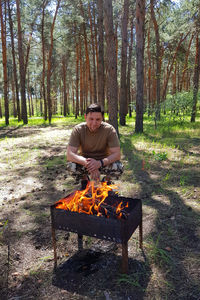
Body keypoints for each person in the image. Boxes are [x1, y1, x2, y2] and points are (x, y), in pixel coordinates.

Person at [67, 103, 123, 188]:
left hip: (103, 162)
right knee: (71, 166)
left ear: (102, 119)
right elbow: (70, 154)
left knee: (118, 167)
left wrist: (99, 163)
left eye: (98, 119)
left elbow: (117, 154)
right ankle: (85, 181)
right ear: (85, 117)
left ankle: (106, 182)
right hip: (85, 162)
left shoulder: (109, 130)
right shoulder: (78, 130)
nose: (94, 123)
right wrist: (90, 165)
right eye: (91, 119)